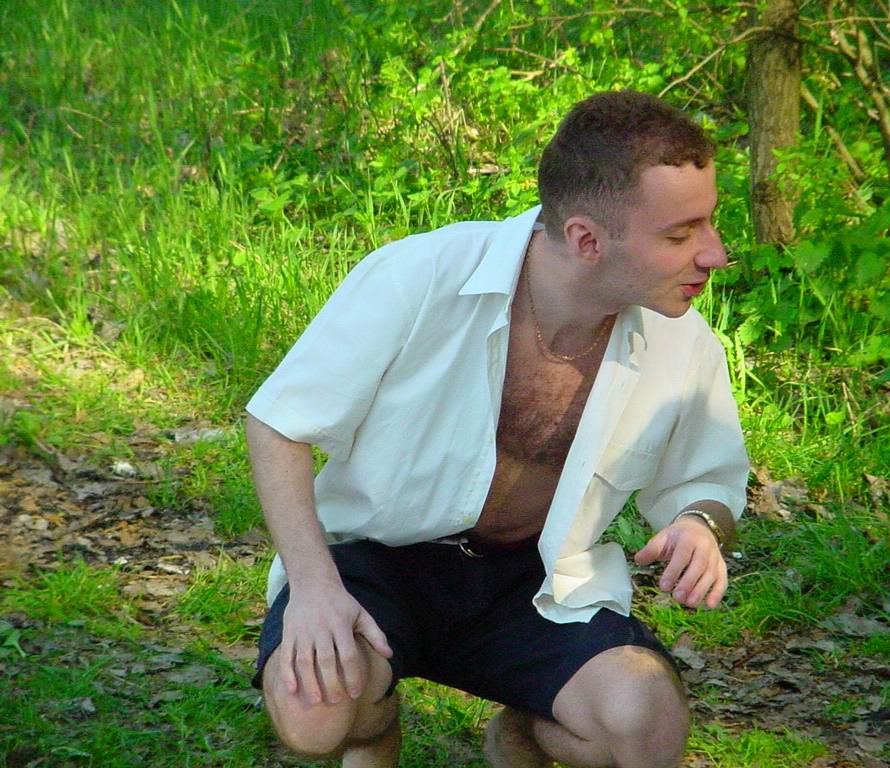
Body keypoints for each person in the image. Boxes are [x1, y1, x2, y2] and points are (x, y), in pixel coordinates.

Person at [245, 89, 749, 768]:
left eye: (710, 223)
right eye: (680, 235)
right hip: (378, 556)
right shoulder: (422, 277)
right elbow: (278, 425)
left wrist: (699, 524)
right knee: (314, 715)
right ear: (587, 240)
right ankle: (372, 729)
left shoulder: (682, 343)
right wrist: (313, 588)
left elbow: (709, 481)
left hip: (535, 581)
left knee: (645, 725)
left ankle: (522, 732)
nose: (714, 253)